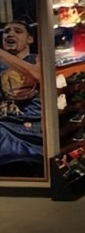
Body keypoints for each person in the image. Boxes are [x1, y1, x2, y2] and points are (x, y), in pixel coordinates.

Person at [0, 18, 43, 177]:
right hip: (4, 129)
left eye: (17, 31)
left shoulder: (38, 59)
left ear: (30, 39)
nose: (10, 34)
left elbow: (38, 75)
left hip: (32, 130)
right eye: (6, 32)